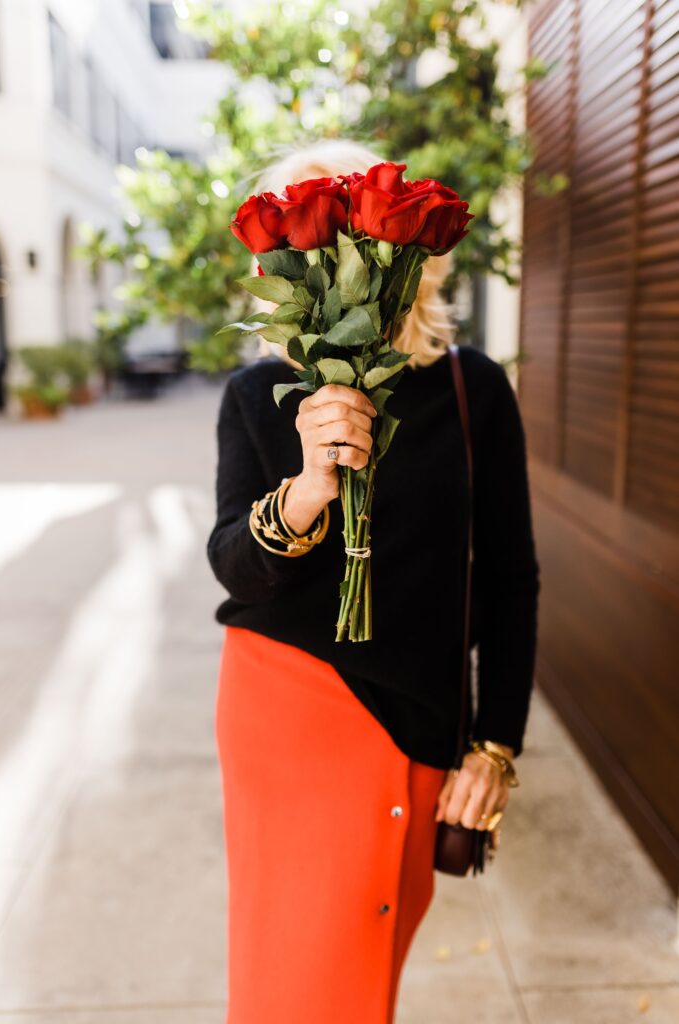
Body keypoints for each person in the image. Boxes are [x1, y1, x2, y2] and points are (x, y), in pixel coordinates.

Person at [207, 138, 540, 1024]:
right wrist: (310, 487)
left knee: (365, 980)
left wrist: (495, 743)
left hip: (422, 717)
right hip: (287, 710)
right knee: (302, 987)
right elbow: (234, 566)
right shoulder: (256, 395)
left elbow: (510, 578)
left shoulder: (472, 389)